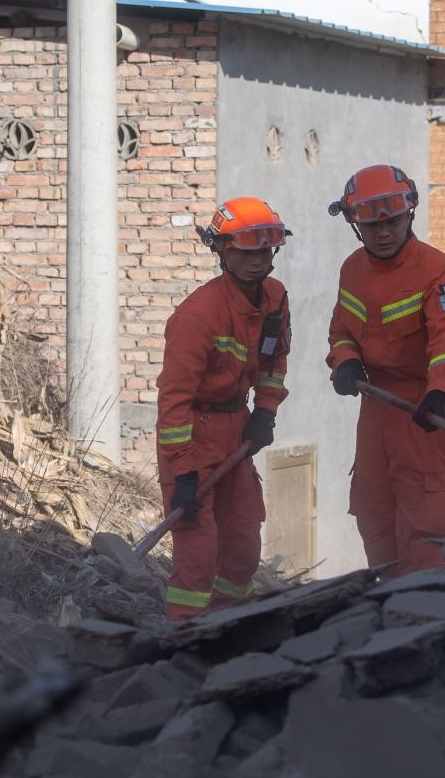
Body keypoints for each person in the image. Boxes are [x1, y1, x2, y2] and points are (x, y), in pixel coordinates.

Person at [325, 164, 445, 576]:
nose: (384, 232)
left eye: (392, 221)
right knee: (374, 516)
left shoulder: (438, 272)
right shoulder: (352, 270)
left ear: (409, 214)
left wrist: (440, 392)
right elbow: (342, 329)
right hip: (378, 410)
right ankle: (384, 609)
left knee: (429, 529)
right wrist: (345, 360)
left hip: (428, 411)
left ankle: (425, 616)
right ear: (357, 226)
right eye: (372, 225)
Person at [155, 197, 292, 621]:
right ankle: (183, 640)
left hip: (237, 426)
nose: (257, 261)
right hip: (193, 434)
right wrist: (183, 473)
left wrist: (265, 411)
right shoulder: (197, 316)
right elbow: (173, 400)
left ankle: (229, 629)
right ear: (222, 252)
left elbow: (273, 362)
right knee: (198, 554)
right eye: (246, 252)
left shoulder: (275, 297)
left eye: (264, 251)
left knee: (242, 546)